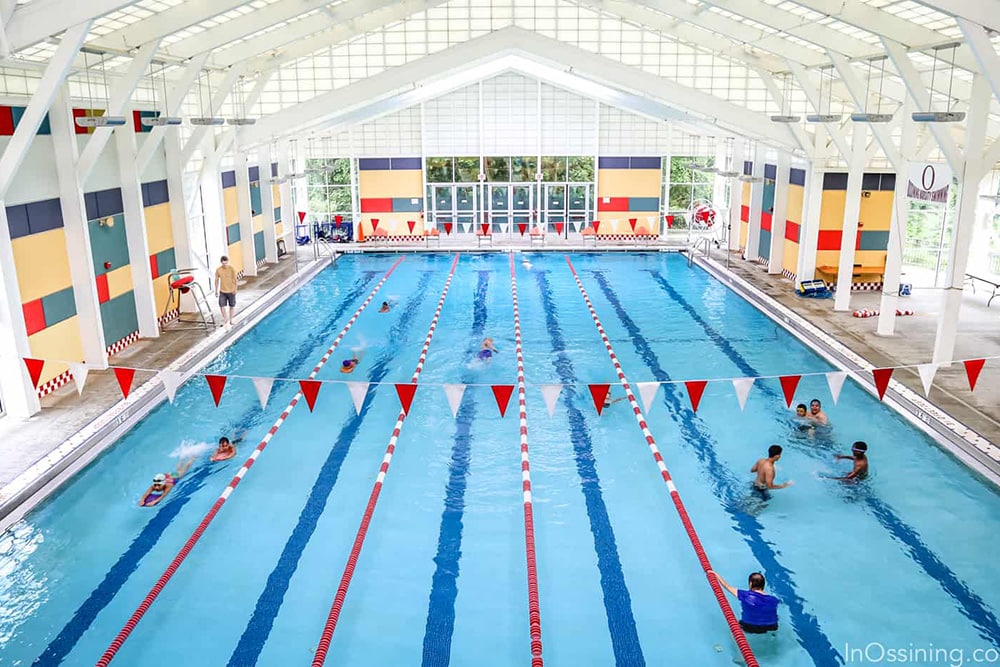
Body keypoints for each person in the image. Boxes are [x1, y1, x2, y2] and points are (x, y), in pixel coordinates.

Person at [708, 570, 780, 634]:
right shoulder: (774, 600)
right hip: (772, 626)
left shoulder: (745, 595)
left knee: (734, 628)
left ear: (750, 584)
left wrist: (716, 575)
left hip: (750, 626)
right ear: (763, 585)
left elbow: (727, 587)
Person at [214, 255, 238, 328]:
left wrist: (235, 289)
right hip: (222, 291)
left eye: (226, 263)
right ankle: (225, 319)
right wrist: (216, 290)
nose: (225, 265)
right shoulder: (218, 270)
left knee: (232, 305)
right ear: (221, 262)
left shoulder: (232, 269)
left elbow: (235, 280)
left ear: (228, 262)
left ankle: (231, 319)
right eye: (223, 263)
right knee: (221, 305)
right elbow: (216, 280)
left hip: (231, 290)